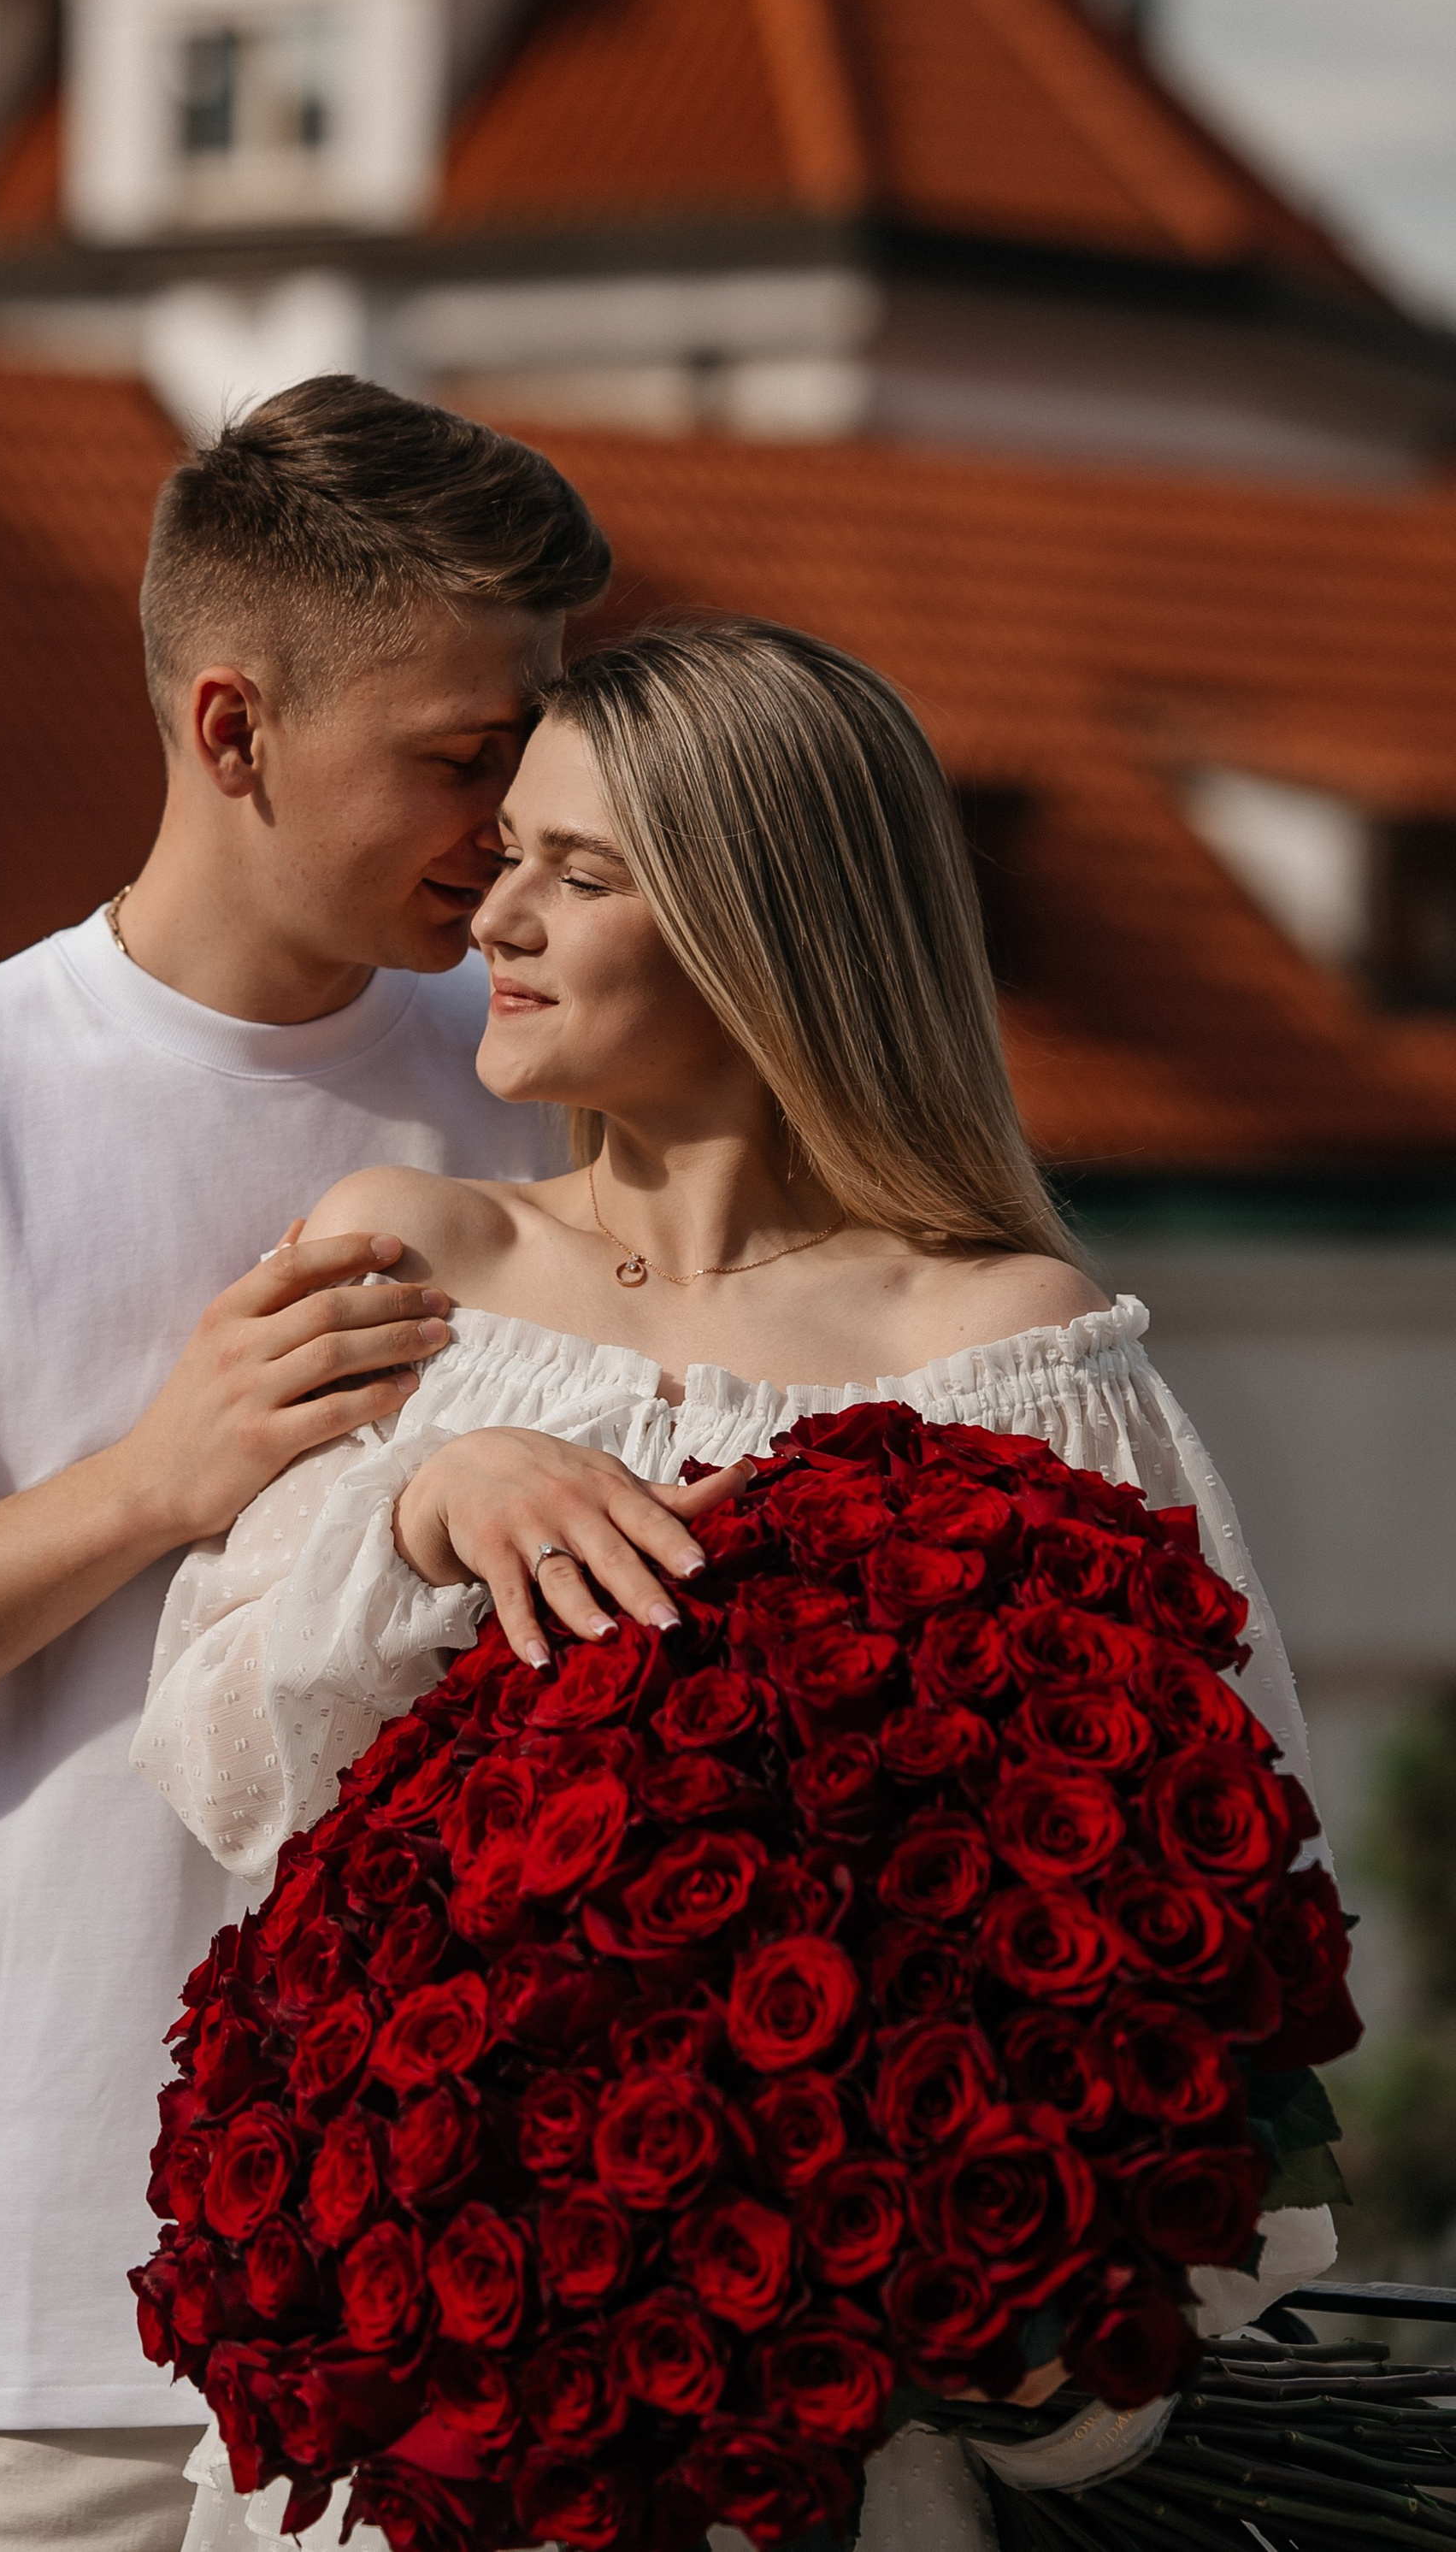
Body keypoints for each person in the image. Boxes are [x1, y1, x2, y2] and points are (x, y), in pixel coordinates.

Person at [133, 613, 1334, 2552]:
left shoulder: (1009, 1343)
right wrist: (429, 1496)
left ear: (756, 916)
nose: (493, 915)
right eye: (504, 845)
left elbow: (1220, 1884)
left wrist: (1031, 2302)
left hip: (837, 2432)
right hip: (431, 2384)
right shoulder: (402, 1256)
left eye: (576, 871)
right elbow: (216, 1754)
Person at [0, 376, 612, 2552]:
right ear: (232, 726)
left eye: (527, 751)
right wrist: (155, 1480)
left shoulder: (553, 1083)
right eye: (458, 754)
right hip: (47, 2312)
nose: (508, 818)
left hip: (487, 2289)